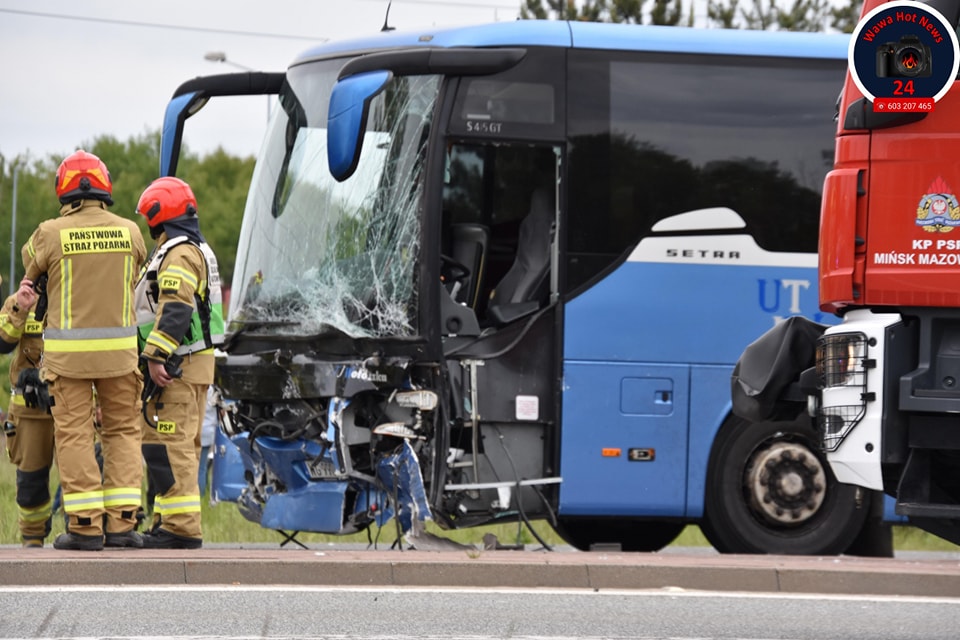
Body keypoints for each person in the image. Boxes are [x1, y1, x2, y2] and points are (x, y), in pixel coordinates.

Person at [22, 149, 148, 551]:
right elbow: (137, 269)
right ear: (104, 186)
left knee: (74, 435)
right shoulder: (130, 231)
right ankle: (123, 524)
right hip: (121, 358)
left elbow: (29, 264)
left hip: (69, 360)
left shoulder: (50, 232)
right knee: (123, 432)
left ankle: (84, 527)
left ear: (63, 189)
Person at [134, 176, 224, 549]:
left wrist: (156, 356)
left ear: (160, 216)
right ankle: (168, 522)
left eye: (149, 218)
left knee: (169, 443)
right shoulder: (193, 248)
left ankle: (180, 528)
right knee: (180, 444)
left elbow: (176, 308)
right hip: (191, 364)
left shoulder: (179, 253)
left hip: (177, 365)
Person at [0, 247, 56, 547]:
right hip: (30, 411)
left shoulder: (78, 299)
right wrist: (20, 308)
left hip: (73, 406)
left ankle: (84, 536)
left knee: (85, 476)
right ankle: (32, 543)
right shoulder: (19, 301)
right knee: (31, 482)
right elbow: (2, 343)